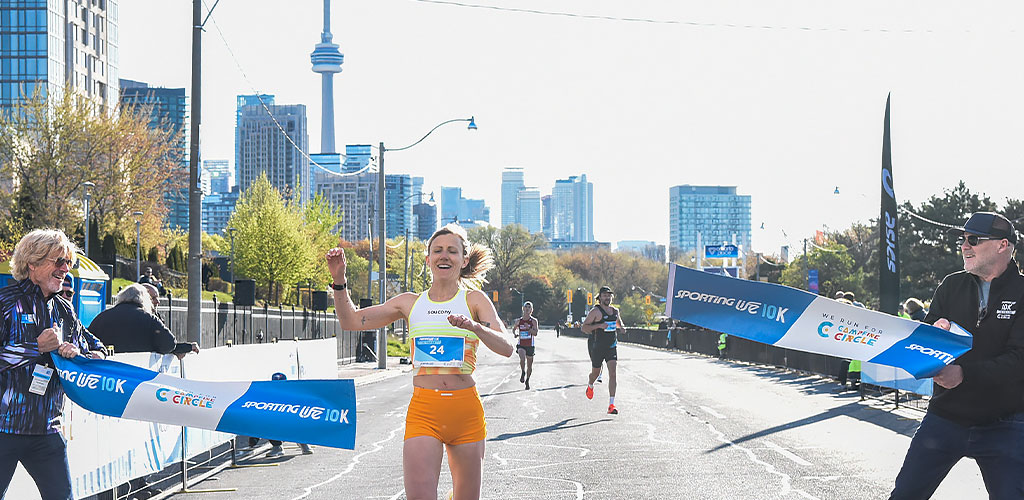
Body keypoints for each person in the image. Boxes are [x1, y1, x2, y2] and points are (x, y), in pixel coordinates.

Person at [326, 223, 513, 500]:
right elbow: (350, 320)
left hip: (465, 411)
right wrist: (339, 281)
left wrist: (475, 327)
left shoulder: (474, 299)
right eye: (437, 250)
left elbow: (507, 347)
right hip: (425, 411)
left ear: (463, 259)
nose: (444, 256)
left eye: (452, 251)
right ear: (428, 260)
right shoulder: (410, 303)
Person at [889, 212, 1024, 500]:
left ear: (1003, 245)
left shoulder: (1023, 291)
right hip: (945, 417)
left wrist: (963, 375)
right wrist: (935, 335)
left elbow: (1019, 360)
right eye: (962, 239)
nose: (964, 245)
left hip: (1005, 423)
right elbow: (925, 342)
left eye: (973, 239)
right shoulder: (951, 284)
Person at [0, 229, 106, 500]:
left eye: (68, 262)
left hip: (47, 429)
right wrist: (35, 348)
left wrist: (84, 354)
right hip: (4, 429)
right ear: (31, 263)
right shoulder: (6, 302)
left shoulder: (64, 308)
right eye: (57, 261)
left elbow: (95, 346)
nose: (64, 269)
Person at [88, 284, 197, 359]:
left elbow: (86, 342)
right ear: (145, 300)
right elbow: (168, 344)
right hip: (140, 374)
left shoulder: (102, 317)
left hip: (107, 375)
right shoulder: (149, 319)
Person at [248, 372, 313, 457]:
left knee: (299, 419)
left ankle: (303, 443)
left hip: (292, 423)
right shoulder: (268, 396)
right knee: (267, 421)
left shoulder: (294, 394)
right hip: (277, 424)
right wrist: (255, 436)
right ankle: (277, 447)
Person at [583, 286, 623, 415]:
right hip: (597, 346)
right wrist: (599, 325)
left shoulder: (615, 311)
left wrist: (622, 328)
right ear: (599, 297)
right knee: (595, 373)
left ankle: (611, 405)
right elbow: (584, 328)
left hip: (611, 346)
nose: (607, 298)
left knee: (613, 373)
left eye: (609, 295)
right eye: (605, 295)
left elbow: (618, 323)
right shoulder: (595, 311)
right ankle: (590, 385)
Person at [513, 301, 539, 390]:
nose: (527, 309)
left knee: (530, 365)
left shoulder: (534, 321)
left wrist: (529, 328)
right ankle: (523, 372)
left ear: (531, 310)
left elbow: (535, 333)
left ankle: (527, 379)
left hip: (530, 345)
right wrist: (515, 334)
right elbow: (514, 329)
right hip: (521, 344)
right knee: (522, 357)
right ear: (523, 308)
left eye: (529, 307)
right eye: (526, 307)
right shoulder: (518, 321)